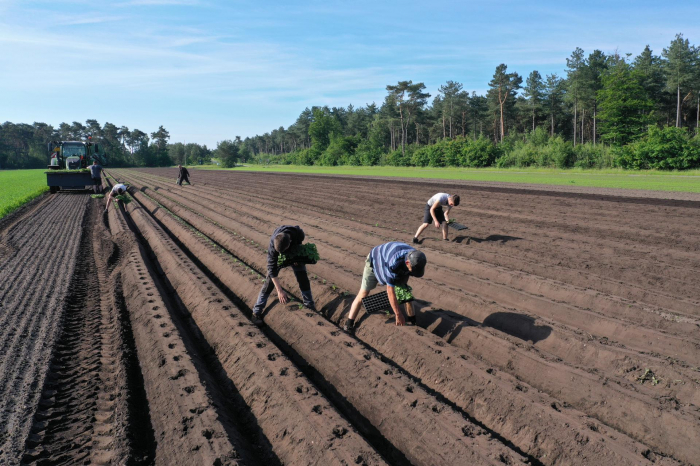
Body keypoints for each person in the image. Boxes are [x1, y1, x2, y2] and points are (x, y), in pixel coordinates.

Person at [343, 242, 427, 336]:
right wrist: (398, 314)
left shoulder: (415, 258)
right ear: (407, 263)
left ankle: (413, 321)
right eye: (413, 270)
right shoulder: (394, 263)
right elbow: (390, 291)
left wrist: (402, 287)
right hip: (375, 259)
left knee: (404, 291)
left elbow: (405, 281)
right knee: (363, 293)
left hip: (392, 258)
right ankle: (349, 324)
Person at [252, 225, 316, 325]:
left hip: (294, 251)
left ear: (290, 241)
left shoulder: (298, 233)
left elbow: (299, 243)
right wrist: (280, 291)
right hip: (279, 254)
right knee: (269, 283)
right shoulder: (273, 247)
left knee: (302, 276)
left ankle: (309, 305)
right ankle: (256, 311)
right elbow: (272, 270)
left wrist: (295, 256)